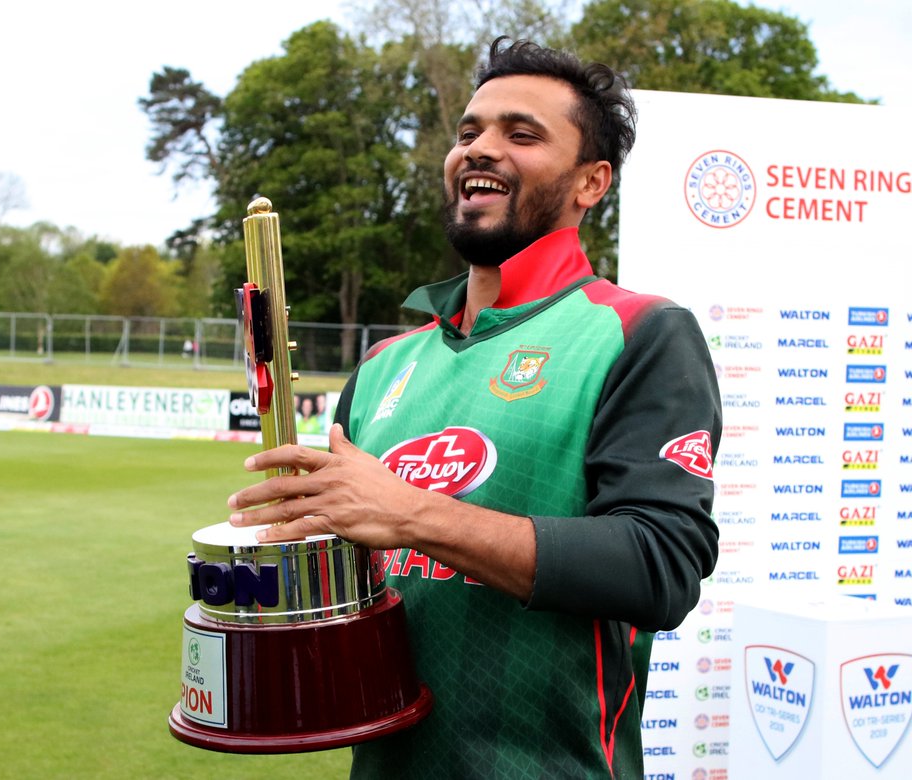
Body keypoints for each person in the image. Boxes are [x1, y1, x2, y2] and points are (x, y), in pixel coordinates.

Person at [226, 38, 721, 778]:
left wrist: (408, 513)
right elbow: (364, 585)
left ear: (592, 182)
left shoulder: (640, 332)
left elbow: (662, 566)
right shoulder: (388, 363)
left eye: (521, 135)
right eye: (468, 134)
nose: (480, 150)